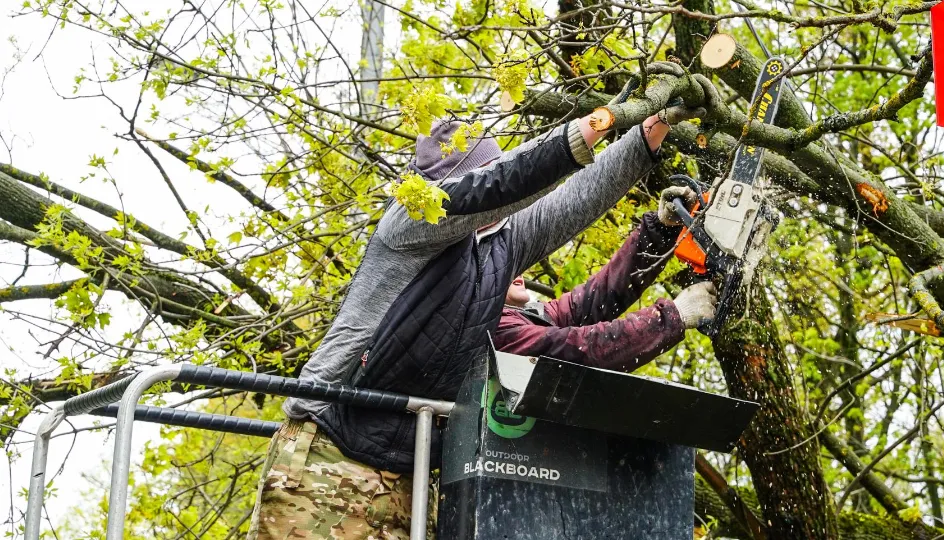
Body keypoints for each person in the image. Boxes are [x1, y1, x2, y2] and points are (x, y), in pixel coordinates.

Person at [248, 65, 717, 539]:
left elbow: (574, 201)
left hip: (412, 469)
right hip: (329, 445)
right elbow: (505, 183)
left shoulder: (500, 244)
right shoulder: (410, 224)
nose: (504, 199)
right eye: (488, 182)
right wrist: (599, 121)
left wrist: (650, 127)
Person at [493, 190, 717, 371]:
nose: (517, 271)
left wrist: (659, 229)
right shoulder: (496, 331)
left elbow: (596, 298)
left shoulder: (530, 316)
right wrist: (673, 317)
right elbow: (581, 349)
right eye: (501, 265)